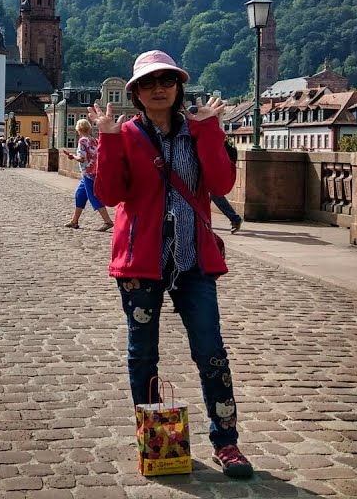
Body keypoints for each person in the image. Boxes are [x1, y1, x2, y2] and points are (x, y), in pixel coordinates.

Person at [89, 49, 253, 479]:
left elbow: (220, 184)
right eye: (148, 83)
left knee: (211, 351)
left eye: (166, 81)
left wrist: (210, 130)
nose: (158, 89)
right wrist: (106, 138)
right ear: (136, 93)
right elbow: (108, 194)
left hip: (193, 259)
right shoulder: (125, 135)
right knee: (143, 353)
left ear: (179, 87)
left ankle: (226, 441)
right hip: (140, 263)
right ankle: (155, 437)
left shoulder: (197, 131)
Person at [63, 118, 114, 231]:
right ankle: (74, 221)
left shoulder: (82, 141)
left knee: (93, 196)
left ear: (78, 129)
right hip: (95, 171)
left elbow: (82, 159)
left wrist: (72, 156)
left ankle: (108, 221)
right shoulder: (94, 140)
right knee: (79, 194)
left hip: (88, 172)